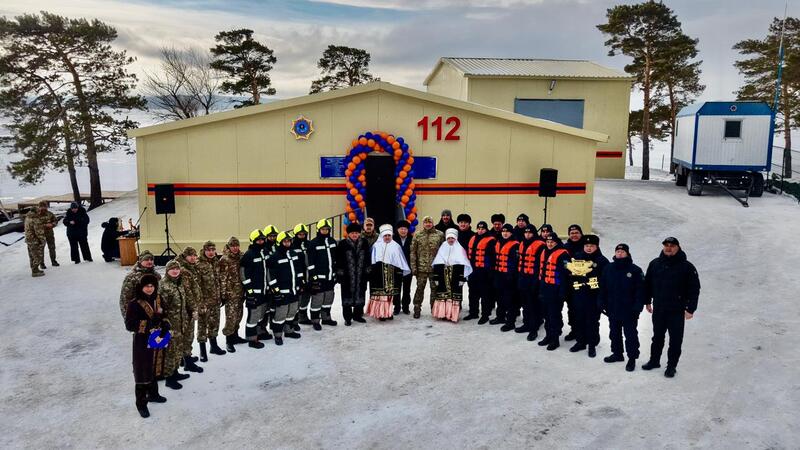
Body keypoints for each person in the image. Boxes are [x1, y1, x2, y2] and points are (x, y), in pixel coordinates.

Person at [642, 237, 701, 378]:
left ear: (678, 247)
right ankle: (654, 361)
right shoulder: (655, 264)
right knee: (657, 337)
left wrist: (690, 309)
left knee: (675, 340)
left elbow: (694, 289)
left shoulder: (687, 267)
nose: (668, 248)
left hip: (677, 310)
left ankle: (671, 366)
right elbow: (648, 284)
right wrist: (647, 301)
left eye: (672, 246)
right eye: (666, 245)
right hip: (659, 308)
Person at [124, 273, 168, 417]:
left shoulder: (158, 299)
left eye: (152, 286)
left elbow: (164, 314)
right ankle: (141, 403)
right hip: (142, 342)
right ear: (141, 287)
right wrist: (147, 324)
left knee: (155, 367)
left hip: (158, 339)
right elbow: (129, 325)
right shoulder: (134, 304)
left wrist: (165, 322)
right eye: (146, 286)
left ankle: (154, 394)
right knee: (142, 371)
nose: (149, 289)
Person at [599, 243, 646, 372]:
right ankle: (617, 353)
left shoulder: (635, 270)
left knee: (630, 335)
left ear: (627, 253)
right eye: (618, 251)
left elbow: (640, 291)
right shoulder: (608, 268)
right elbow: (603, 287)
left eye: (622, 251)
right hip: (612, 308)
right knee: (614, 333)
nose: (620, 253)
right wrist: (601, 302)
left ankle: (632, 358)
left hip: (629, 310)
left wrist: (637, 308)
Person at [566, 234, 608, 358]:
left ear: (597, 246)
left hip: (593, 296)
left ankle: (592, 345)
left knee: (592, 321)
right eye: (586, 245)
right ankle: (580, 342)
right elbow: (572, 274)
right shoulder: (578, 257)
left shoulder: (602, 261)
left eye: (592, 246)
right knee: (579, 318)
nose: (589, 248)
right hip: (578, 294)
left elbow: (605, 282)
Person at [160, 261, 196, 390]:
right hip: (170, 325)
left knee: (177, 350)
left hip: (181, 322)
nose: (175, 271)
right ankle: (169, 378)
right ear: (167, 270)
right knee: (170, 352)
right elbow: (161, 307)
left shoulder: (179, 283)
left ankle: (175, 373)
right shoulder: (164, 286)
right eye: (172, 269)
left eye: (177, 269)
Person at [266, 231, 306, 345]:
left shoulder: (294, 254)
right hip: (282, 291)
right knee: (281, 314)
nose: (287, 243)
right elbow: (271, 276)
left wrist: (300, 283)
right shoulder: (274, 257)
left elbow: (298, 271)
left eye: (289, 241)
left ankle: (289, 330)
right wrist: (276, 291)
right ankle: (278, 334)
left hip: (293, 289)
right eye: (285, 241)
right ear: (280, 242)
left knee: (292, 311)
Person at [367, 224, 411, 321]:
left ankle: (388, 312)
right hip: (379, 274)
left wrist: (399, 271)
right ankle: (380, 313)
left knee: (390, 295)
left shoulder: (396, 246)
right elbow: (372, 260)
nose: (387, 237)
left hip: (392, 274)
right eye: (385, 236)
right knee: (381, 296)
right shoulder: (376, 246)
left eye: (389, 236)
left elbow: (400, 261)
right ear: (382, 236)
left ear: (391, 236)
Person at [537, 233, 570, 350]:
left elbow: (566, 275)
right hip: (545, 288)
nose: (549, 244)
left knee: (554, 315)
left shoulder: (563, 254)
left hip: (556, 290)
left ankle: (555, 339)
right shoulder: (544, 252)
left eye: (552, 242)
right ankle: (548, 335)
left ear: (556, 242)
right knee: (546, 314)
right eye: (548, 242)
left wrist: (562, 292)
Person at [431, 228, 472, 322]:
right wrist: (436, 277)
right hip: (443, 276)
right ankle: (442, 314)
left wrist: (462, 278)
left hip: (456, 277)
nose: (450, 240)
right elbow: (437, 264)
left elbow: (463, 265)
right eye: (449, 238)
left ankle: (452, 315)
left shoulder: (460, 249)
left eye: (452, 238)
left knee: (454, 296)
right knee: (443, 296)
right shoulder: (443, 247)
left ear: (456, 238)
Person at [173, 247, 203, 370]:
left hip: (187, 307)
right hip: (186, 309)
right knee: (187, 335)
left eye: (194, 255)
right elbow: (187, 292)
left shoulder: (191, 267)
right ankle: (187, 361)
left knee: (187, 335)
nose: (193, 258)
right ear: (185, 257)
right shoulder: (184, 271)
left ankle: (184, 358)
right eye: (190, 256)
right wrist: (193, 308)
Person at [195, 241, 226, 361]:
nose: (211, 252)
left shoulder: (216, 262)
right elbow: (196, 285)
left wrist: (221, 296)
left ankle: (214, 346)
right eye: (209, 250)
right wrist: (199, 302)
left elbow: (219, 281)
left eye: (213, 250)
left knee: (214, 324)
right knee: (202, 326)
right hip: (204, 302)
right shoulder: (199, 264)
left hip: (216, 300)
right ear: (204, 250)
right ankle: (202, 351)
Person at [240, 229, 271, 348]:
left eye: (262, 239)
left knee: (262, 314)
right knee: (253, 316)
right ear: (253, 241)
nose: (261, 241)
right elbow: (243, 274)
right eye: (258, 240)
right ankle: (252, 339)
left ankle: (260, 333)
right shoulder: (249, 255)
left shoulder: (265, 251)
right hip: (255, 292)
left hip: (265, 290)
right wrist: (250, 290)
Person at [307, 219, 339, 330]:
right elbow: (310, 263)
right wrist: (313, 277)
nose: (325, 231)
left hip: (330, 276)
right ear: (318, 230)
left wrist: (336, 273)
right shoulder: (313, 243)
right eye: (323, 229)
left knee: (328, 298)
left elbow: (336, 258)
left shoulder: (332, 241)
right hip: (319, 278)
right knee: (317, 299)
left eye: (327, 229)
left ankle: (326, 318)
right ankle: (315, 320)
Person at [410, 215, 444, 318]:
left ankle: (434, 309)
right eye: (425, 222)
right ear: (423, 224)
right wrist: (414, 267)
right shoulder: (418, 235)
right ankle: (417, 308)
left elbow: (443, 251)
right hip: (421, 268)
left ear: (433, 223)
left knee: (435, 289)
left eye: (430, 222)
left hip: (435, 268)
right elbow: (413, 252)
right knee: (420, 289)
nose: (428, 224)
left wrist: (441, 267)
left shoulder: (439, 235)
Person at [515, 225, 545, 341]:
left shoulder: (540, 245)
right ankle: (526, 323)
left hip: (533, 278)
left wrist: (537, 281)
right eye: (526, 233)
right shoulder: (522, 243)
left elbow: (540, 264)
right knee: (525, 304)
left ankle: (533, 329)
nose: (527, 235)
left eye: (530, 233)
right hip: (522, 277)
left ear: (534, 234)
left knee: (533, 304)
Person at [336, 223, 370, 326]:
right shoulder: (342, 244)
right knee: (346, 297)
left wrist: (368, 271)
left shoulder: (364, 242)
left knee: (360, 295)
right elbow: (338, 260)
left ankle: (357, 315)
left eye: (356, 233)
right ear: (348, 234)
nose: (355, 235)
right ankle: (347, 318)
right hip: (347, 276)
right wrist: (340, 274)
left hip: (360, 275)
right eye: (352, 233)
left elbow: (368, 258)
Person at [219, 236, 247, 352]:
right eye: (232, 246)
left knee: (239, 316)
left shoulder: (241, 256)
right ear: (229, 246)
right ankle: (229, 340)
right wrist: (223, 294)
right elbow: (222, 278)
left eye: (237, 246)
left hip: (240, 292)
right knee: (231, 317)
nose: (235, 248)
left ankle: (235, 336)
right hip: (230, 294)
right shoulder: (225, 259)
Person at [465, 221, 496, 323]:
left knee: (485, 295)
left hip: (484, 272)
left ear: (486, 229)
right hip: (473, 271)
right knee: (472, 293)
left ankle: (485, 315)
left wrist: (490, 272)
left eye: (482, 229)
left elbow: (492, 258)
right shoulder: (473, 238)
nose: (480, 230)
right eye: (478, 228)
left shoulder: (491, 240)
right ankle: (473, 313)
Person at [119, 251, 162, 321]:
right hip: (139, 314)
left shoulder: (157, 276)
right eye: (146, 260)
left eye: (151, 260)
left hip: (155, 314)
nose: (150, 261)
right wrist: (129, 319)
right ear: (140, 261)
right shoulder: (131, 277)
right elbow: (125, 299)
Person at [492, 224, 519, 331]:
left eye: (507, 231)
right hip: (499, 275)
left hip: (509, 277)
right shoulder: (498, 242)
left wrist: (511, 275)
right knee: (499, 298)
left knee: (510, 300)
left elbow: (516, 262)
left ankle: (510, 322)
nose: (505, 233)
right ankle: (500, 317)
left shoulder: (515, 244)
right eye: (503, 231)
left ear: (511, 232)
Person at [562, 224, 585, 343]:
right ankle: (574, 330)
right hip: (569, 282)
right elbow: (563, 263)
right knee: (571, 308)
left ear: (581, 233)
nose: (574, 235)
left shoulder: (587, 245)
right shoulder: (565, 247)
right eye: (572, 233)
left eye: (576, 233)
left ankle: (583, 332)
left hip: (583, 283)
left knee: (582, 308)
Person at [291, 223, 313, 326]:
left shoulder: (309, 244)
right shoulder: (292, 246)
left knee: (306, 296)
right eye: (300, 234)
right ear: (296, 235)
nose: (302, 236)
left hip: (309, 275)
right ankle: (294, 320)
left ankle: (303, 316)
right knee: (297, 299)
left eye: (304, 234)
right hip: (297, 276)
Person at [393, 220, 413, 315]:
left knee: (407, 289)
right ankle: (396, 307)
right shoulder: (393, 239)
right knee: (396, 288)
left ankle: (406, 307)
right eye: (401, 229)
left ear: (407, 230)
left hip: (408, 268)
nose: (403, 231)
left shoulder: (412, 239)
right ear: (397, 230)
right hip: (396, 268)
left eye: (405, 229)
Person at [23, 202, 49, 277]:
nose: (39, 212)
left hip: (29, 240)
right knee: (38, 256)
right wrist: (42, 240)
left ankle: (34, 269)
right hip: (35, 241)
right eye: (38, 211)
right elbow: (39, 232)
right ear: (35, 211)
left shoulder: (27, 217)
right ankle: (35, 271)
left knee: (32, 255)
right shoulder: (35, 219)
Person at [40, 202, 59, 268]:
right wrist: (45, 225)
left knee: (52, 247)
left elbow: (56, 220)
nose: (44, 208)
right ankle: (42, 263)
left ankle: (53, 261)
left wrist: (52, 224)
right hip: (40, 235)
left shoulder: (50, 214)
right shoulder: (37, 215)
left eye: (45, 206)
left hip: (50, 234)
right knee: (41, 249)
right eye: (42, 207)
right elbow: (35, 225)